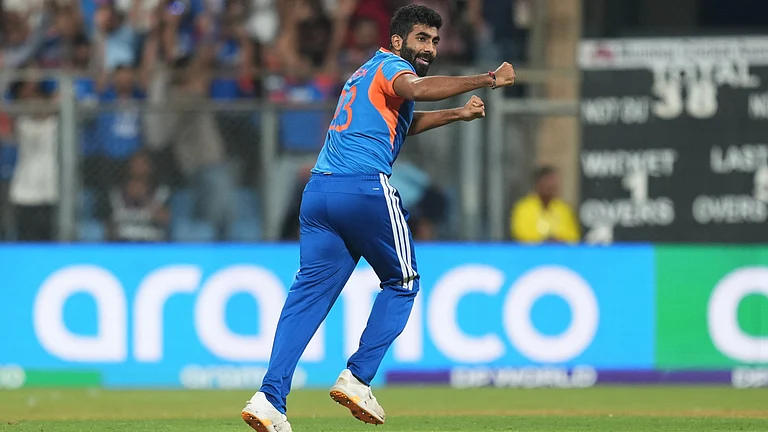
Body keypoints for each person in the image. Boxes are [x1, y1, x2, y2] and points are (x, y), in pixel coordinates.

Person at [240, 4, 515, 432]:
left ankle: (269, 398)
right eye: (422, 38)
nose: (430, 48)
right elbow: (416, 89)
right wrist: (487, 78)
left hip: (319, 193)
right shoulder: (393, 68)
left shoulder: (364, 73)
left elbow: (400, 123)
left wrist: (457, 114)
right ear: (397, 40)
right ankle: (358, 377)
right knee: (403, 282)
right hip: (363, 189)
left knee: (307, 298)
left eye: (435, 40)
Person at [510, 165, 580, 244]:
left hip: (559, 251)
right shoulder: (524, 208)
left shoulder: (564, 209)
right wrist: (545, 241)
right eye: (548, 184)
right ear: (538, 184)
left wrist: (558, 240)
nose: (552, 187)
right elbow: (521, 234)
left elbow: (573, 237)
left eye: (554, 184)